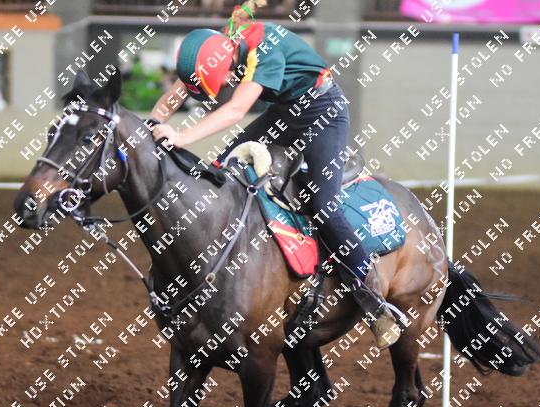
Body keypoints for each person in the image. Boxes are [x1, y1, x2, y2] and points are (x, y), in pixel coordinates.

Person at [150, 0, 400, 349]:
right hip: (286, 109)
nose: (226, 82)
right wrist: (152, 123)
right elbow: (180, 89)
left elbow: (236, 110)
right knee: (223, 167)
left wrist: (181, 136)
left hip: (322, 110)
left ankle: (371, 299)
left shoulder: (261, 52)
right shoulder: (218, 45)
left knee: (323, 205)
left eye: (224, 78)